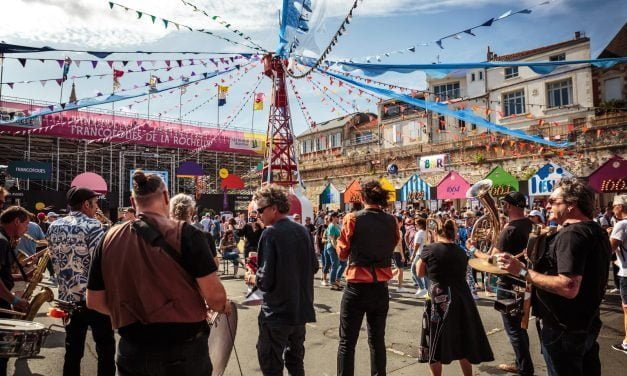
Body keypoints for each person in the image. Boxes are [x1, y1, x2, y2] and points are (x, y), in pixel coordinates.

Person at [87, 171, 229, 376]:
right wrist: (225, 305)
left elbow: (94, 301)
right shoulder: (189, 235)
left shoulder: (108, 238)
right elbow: (216, 299)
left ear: (132, 201)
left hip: (132, 350)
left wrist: (131, 312)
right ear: (165, 197)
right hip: (183, 352)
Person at [498, 179, 611, 376]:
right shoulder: (596, 231)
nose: (547, 205)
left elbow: (568, 286)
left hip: (563, 328)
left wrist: (522, 271)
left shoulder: (571, 234)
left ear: (571, 205)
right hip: (586, 323)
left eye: (553, 201)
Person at [245, 185, 318, 375]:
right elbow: (314, 267)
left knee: (271, 364)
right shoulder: (303, 231)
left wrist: (251, 276)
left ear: (273, 208)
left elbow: (266, 280)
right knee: (295, 362)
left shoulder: (270, 233)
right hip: (300, 310)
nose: (257, 214)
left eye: (260, 210)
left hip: (277, 313)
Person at [47, 187, 115, 376]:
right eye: (95, 203)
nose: (97, 208)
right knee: (105, 348)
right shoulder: (93, 226)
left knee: (72, 349)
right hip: (93, 297)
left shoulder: (54, 226)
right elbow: (102, 261)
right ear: (86, 204)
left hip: (67, 298)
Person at [466, 191, 534, 376]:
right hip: (525, 280)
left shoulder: (510, 229)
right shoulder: (530, 224)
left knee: (513, 329)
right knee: (520, 326)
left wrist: (473, 249)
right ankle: (522, 363)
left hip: (509, 284)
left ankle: (524, 368)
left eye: (504, 204)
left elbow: (492, 260)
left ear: (509, 206)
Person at [336, 180, 399, 376]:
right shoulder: (392, 221)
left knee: (347, 341)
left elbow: (342, 253)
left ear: (362, 198)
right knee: (377, 340)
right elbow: (394, 243)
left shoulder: (352, 218)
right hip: (380, 287)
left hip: (356, 286)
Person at [416, 219, 494, 375]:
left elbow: (419, 273)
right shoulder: (461, 251)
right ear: (454, 233)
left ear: (436, 231)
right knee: (463, 337)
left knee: (435, 340)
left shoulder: (429, 249)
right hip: (462, 297)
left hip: (439, 296)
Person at [0, 206, 33, 376]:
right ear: (17, 221)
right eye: (26, 224)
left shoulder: (5, 239)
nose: (27, 229)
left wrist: (21, 276)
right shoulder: (1, 241)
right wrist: (14, 300)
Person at [609, 194, 627, 354]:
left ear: (620, 207)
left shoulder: (621, 224)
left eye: (614, 205)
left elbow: (608, 249)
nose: (612, 209)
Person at [326, 212, 344, 291]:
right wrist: (337, 248)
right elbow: (332, 239)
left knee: (340, 264)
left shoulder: (336, 226)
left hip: (336, 247)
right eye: (337, 216)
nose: (338, 218)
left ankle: (336, 281)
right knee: (335, 265)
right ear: (333, 217)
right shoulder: (332, 226)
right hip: (332, 247)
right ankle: (332, 283)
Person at [412, 218, 429, 298]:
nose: (415, 225)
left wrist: (413, 254)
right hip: (425, 253)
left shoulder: (420, 232)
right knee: (425, 272)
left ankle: (422, 287)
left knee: (414, 270)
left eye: (416, 224)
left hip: (420, 254)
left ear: (420, 225)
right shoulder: (427, 232)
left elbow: (417, 245)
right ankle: (425, 288)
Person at [392, 216, 408, 293]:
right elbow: (399, 244)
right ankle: (399, 287)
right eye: (401, 222)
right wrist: (402, 255)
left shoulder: (392, 230)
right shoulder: (399, 231)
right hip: (397, 252)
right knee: (400, 270)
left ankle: (388, 278)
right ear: (399, 222)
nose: (402, 224)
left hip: (393, 252)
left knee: (399, 269)